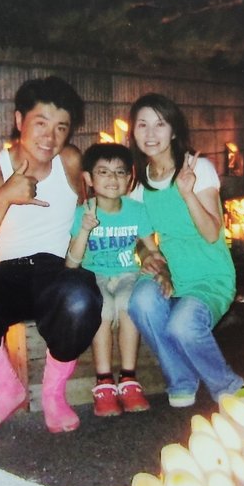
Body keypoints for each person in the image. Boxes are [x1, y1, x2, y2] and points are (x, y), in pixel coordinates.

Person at [0, 76, 102, 433]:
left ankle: (53, 393)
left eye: (61, 128)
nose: (50, 137)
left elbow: (88, 214)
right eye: (41, 123)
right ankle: (7, 388)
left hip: (57, 272)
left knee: (80, 297)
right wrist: (4, 197)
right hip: (8, 275)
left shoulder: (70, 160)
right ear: (19, 120)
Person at [126, 92, 244, 407]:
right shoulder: (140, 184)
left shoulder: (197, 168)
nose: (150, 133)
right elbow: (139, 237)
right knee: (140, 301)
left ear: (173, 131)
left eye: (160, 124)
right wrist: (150, 257)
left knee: (183, 325)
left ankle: (228, 385)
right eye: (142, 125)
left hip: (209, 274)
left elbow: (211, 233)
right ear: (133, 132)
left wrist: (187, 192)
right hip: (171, 271)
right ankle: (180, 379)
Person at [65, 143, 159, 417]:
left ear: (130, 178)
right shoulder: (83, 212)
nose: (113, 179)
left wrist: (159, 266)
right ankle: (104, 381)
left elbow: (151, 249)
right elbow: (72, 263)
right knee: (104, 307)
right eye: (103, 172)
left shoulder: (137, 210)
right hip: (94, 275)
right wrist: (85, 229)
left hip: (128, 273)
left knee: (129, 304)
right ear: (88, 179)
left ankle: (128, 379)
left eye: (120, 172)